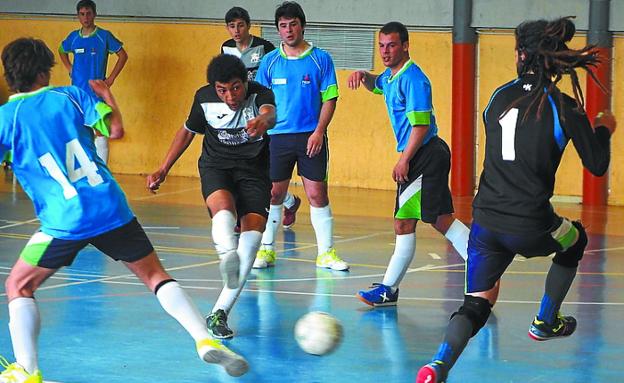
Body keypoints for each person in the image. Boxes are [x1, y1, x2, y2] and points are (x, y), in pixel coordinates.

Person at [0, 38, 248, 383]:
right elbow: (115, 129)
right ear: (45, 71)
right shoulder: (72, 95)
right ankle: (202, 337)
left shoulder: (5, 119)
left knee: (18, 286)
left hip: (64, 221)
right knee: (156, 277)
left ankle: (27, 372)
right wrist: (106, 93)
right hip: (109, 206)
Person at [416, 17, 615, 383]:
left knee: (476, 303)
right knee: (576, 238)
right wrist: (603, 127)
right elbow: (597, 164)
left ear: (522, 55)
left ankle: (437, 366)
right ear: (554, 58)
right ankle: (545, 320)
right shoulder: (562, 105)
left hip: (486, 223)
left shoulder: (498, 97)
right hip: (531, 224)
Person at [347, 21, 488, 307]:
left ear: (406, 46)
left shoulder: (414, 79)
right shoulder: (390, 76)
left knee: (406, 222)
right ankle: (484, 264)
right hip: (424, 156)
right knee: (437, 220)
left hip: (425, 155)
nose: (385, 52)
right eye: (382, 46)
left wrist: (404, 160)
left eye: (392, 45)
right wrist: (364, 75)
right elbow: (379, 84)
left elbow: (420, 127)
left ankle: (390, 289)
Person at [147, 54, 276, 339]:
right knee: (224, 213)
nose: (230, 96)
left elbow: (270, 111)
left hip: (254, 171)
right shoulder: (203, 98)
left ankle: (219, 313)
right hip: (216, 165)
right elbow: (187, 132)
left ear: (245, 83)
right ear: (214, 88)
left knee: (252, 241)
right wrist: (164, 167)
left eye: (235, 88)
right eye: (222, 90)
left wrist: (264, 119)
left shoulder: (260, 95)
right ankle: (227, 255)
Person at [253, 1, 349, 271]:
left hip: (310, 136)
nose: (288, 30)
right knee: (273, 193)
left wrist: (319, 131)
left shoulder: (321, 59)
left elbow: (330, 98)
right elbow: (261, 99)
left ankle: (326, 253)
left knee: (317, 194)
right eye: (283, 26)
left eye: (293, 24)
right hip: (276, 138)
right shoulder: (270, 62)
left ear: (302, 26)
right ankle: (267, 250)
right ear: (278, 30)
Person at [221, 6, 302, 230]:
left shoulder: (265, 48)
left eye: (240, 25)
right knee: (240, 165)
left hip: (263, 115)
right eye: (231, 26)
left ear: (249, 25)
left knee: (261, 168)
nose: (236, 30)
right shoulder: (226, 48)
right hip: (239, 114)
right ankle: (287, 201)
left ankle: (279, 204)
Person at [59, 0, 128, 165]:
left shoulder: (104, 36)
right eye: (82, 14)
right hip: (77, 92)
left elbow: (123, 55)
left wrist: (110, 79)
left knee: (99, 130)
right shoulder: (73, 38)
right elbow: (62, 50)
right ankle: (82, 168)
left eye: (88, 13)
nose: (85, 17)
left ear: (94, 14)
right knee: (78, 130)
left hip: (95, 93)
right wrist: (69, 68)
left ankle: (102, 169)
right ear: (77, 16)